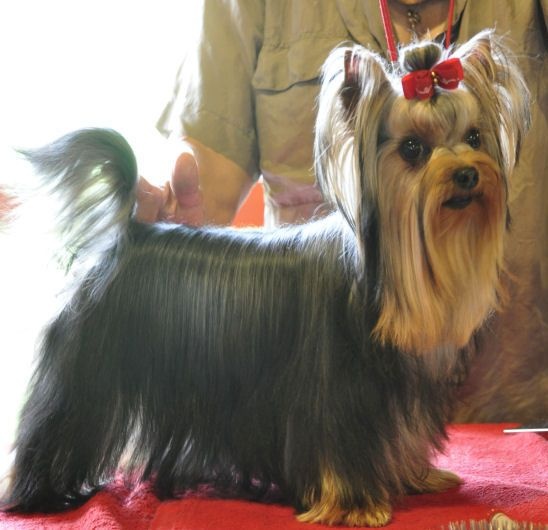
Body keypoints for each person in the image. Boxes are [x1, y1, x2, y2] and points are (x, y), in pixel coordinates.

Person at [138, 0, 547, 423]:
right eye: (413, 149)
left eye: (474, 140)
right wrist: (162, 217)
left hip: (517, 409)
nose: (463, 166)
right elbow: (199, 187)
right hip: (330, 407)